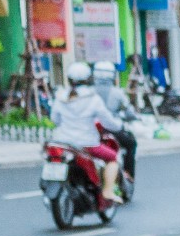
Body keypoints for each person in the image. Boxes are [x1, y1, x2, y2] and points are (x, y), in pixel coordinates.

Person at [49, 61, 126, 205]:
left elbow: (55, 119)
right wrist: (119, 126)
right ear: (89, 78)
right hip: (87, 143)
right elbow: (107, 121)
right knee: (113, 158)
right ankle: (108, 191)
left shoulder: (60, 96)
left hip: (62, 142)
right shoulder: (93, 98)